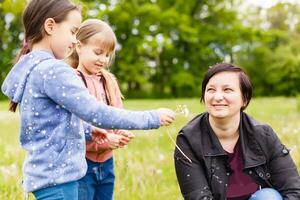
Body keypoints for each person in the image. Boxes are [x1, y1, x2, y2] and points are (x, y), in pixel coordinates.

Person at [1, 0, 175, 199]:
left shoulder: (32, 68)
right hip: (60, 180)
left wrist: (89, 131)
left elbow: (50, 123)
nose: (75, 41)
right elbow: (96, 112)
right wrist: (153, 118)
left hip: (46, 178)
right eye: (73, 31)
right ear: (50, 26)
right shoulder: (53, 70)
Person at [174, 63, 300, 200]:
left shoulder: (264, 135)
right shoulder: (188, 140)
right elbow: (198, 197)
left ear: (244, 99)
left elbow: (293, 190)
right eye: (211, 90)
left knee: (268, 197)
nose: (217, 97)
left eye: (227, 90)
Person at [65, 19, 135, 200]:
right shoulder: (71, 81)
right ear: (79, 47)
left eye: (107, 55)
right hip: (82, 163)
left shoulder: (108, 81)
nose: (103, 60)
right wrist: (103, 141)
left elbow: (116, 114)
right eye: (98, 53)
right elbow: (72, 124)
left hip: (106, 162)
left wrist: (121, 133)